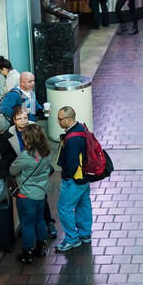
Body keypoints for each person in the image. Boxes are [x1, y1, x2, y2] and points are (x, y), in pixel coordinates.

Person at [11, 125, 54, 265]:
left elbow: (12, 170)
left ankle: (27, 254)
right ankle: (41, 248)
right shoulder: (46, 153)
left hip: (26, 197)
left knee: (27, 225)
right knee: (39, 220)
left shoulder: (26, 156)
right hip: (41, 194)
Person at [54, 106, 93, 253]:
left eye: (60, 119)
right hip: (84, 177)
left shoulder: (72, 139)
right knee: (83, 205)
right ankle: (85, 234)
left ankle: (72, 239)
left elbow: (71, 163)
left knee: (64, 208)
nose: (58, 121)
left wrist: (66, 176)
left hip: (74, 179)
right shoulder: (81, 128)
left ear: (68, 119)